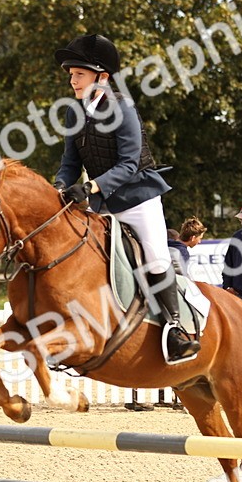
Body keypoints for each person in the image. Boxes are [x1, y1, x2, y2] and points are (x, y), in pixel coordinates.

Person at [53, 34, 200, 365]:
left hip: (137, 199)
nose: (72, 80)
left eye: (79, 74)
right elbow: (69, 163)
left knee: (156, 256)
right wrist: (61, 185)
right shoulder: (73, 113)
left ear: (102, 76)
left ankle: (176, 331)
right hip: (102, 204)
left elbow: (129, 164)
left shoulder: (123, 108)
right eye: (71, 74)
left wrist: (90, 188)